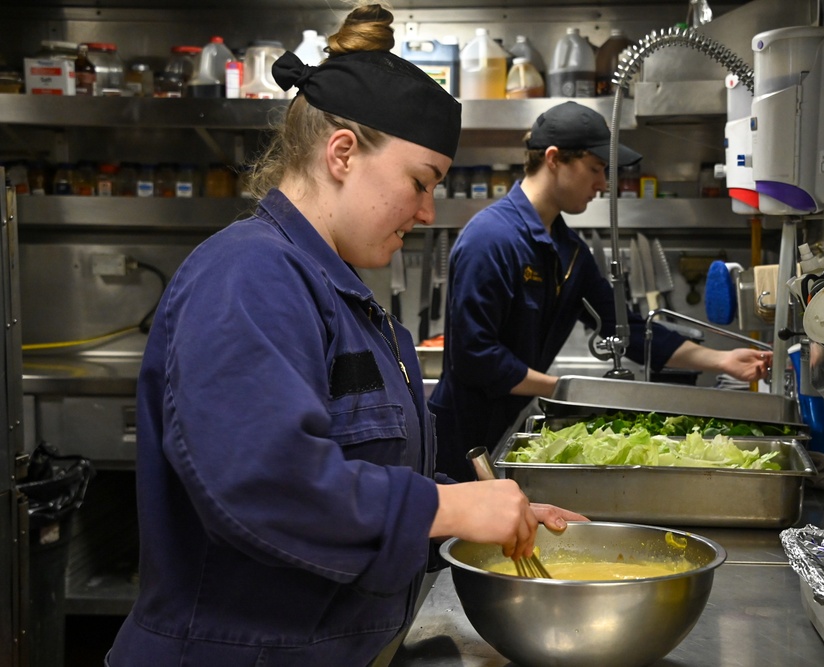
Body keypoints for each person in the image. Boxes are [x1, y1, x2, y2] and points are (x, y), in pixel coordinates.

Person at [107, 6, 584, 666]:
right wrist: (445, 507)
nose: (426, 212)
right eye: (420, 183)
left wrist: (489, 513)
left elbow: (360, 493)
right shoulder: (248, 274)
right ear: (342, 154)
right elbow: (265, 485)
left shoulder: (345, 294)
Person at [429, 101, 773, 482]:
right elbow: (475, 358)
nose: (603, 184)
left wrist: (721, 360)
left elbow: (629, 329)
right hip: (461, 441)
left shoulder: (570, 252)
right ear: (554, 158)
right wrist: (572, 390)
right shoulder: (490, 239)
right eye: (595, 169)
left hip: (507, 428)